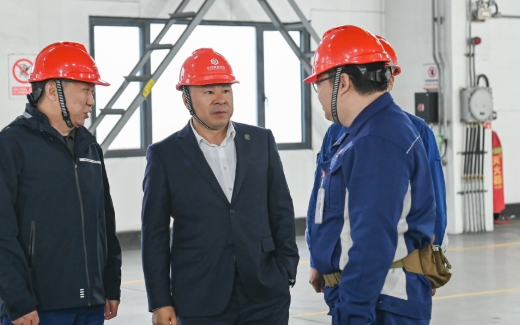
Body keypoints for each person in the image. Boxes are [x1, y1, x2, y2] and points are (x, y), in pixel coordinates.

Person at [142, 48, 299, 325]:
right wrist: (160, 301)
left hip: (265, 293)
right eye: (208, 91)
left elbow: (281, 209)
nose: (220, 99)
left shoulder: (260, 141)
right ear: (186, 99)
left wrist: (286, 269)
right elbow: (154, 234)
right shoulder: (165, 155)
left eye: (226, 90)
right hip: (200, 298)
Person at [0, 42, 122, 325]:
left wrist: (110, 285)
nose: (91, 101)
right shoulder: (6, 148)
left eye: (92, 92)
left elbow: (104, 222)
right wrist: (18, 301)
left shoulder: (90, 148)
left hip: (91, 304)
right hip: (38, 309)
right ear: (53, 91)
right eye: (85, 90)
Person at [303, 26, 435, 324]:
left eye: (319, 83)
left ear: (343, 83)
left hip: (381, 301)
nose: (318, 94)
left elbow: (372, 242)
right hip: (372, 298)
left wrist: (353, 314)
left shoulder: (377, 140)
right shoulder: (362, 133)